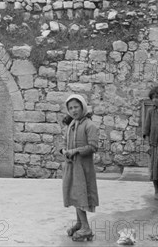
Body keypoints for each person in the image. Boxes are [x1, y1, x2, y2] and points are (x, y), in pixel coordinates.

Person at [60, 94, 99, 241]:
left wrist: (76, 151)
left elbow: (93, 146)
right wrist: (64, 150)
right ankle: (79, 223)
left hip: (83, 168)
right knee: (74, 194)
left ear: (82, 106)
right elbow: (64, 141)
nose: (74, 110)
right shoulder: (71, 124)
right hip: (71, 166)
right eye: (70, 108)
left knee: (80, 195)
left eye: (76, 107)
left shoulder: (89, 125)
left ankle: (86, 228)